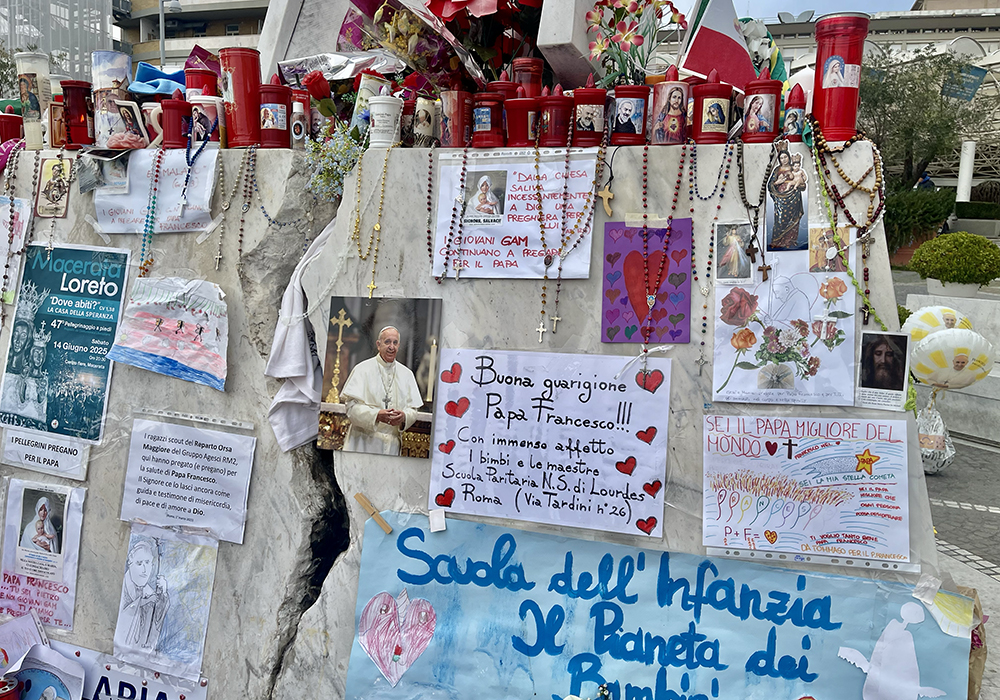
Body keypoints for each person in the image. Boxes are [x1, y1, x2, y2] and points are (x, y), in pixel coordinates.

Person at [340, 326, 423, 455]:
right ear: (378, 345)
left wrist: (404, 416)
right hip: (362, 443)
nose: (392, 347)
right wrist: (377, 415)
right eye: (387, 342)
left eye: (395, 343)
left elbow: (413, 410)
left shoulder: (407, 374)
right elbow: (351, 408)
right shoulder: (362, 369)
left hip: (392, 445)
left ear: (399, 345)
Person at [119, 539, 169, 650]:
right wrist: (145, 601)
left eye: (147, 563)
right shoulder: (123, 586)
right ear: (130, 564)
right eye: (139, 563)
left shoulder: (148, 591)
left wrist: (163, 593)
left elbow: (156, 618)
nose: (144, 570)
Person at [767, 147, 807, 249]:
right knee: (780, 220)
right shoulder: (777, 170)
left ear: (789, 157)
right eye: (781, 158)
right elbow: (770, 185)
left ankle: (790, 241)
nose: (784, 160)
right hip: (781, 198)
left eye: (785, 157)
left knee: (794, 220)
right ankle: (778, 241)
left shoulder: (794, 168)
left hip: (794, 197)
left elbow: (803, 184)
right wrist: (777, 182)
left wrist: (799, 185)